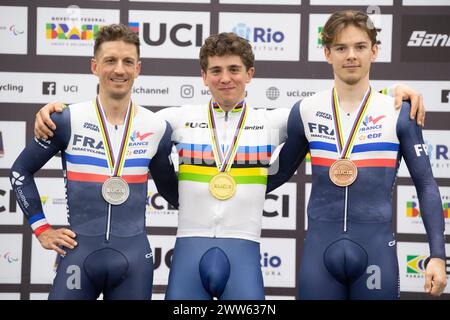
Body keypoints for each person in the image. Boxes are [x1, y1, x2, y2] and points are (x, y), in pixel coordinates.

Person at [34, 33, 427, 300]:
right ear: (203, 76)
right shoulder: (169, 120)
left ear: (250, 75)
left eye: (235, 70)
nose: (226, 79)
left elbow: (344, 99)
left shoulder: (278, 121)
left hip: (244, 254)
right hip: (189, 250)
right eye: (216, 71)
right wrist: (54, 110)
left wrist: (397, 91)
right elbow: (116, 115)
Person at [267, 10, 447, 299]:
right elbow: (275, 175)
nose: (351, 55)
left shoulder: (399, 112)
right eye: (341, 48)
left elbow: (426, 185)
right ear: (327, 54)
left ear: (374, 51)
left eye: (360, 47)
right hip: (319, 250)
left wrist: (437, 255)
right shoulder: (306, 110)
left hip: (376, 249)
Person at [10, 24, 178, 300]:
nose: (119, 70)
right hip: (79, 254)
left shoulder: (157, 127)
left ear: (138, 68)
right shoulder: (66, 119)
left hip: (134, 259)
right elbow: (20, 171)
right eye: (110, 60)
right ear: (94, 66)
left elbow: (173, 192)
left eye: (127, 62)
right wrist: (41, 229)